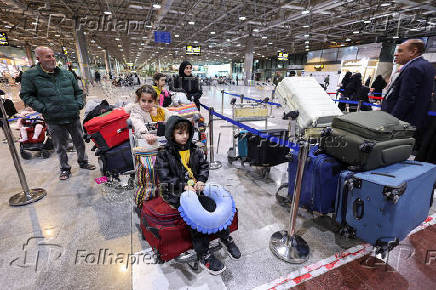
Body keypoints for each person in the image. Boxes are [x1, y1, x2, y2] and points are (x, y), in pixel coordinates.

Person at [155, 116, 241, 275]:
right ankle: (204, 254)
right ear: (171, 134)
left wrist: (201, 180)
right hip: (176, 192)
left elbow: (203, 167)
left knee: (213, 207)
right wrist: (184, 187)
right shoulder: (164, 154)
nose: (185, 136)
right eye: (180, 133)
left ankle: (225, 237)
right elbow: (164, 178)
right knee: (197, 215)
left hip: (197, 189)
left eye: (187, 132)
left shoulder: (195, 149)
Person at [19, 46, 95, 180]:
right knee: (60, 146)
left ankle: (83, 162)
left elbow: (78, 92)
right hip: (53, 118)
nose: (52, 59)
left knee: (80, 142)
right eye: (48, 56)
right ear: (39, 59)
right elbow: (26, 95)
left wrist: (78, 104)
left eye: (53, 55)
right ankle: (65, 168)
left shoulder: (67, 74)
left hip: (72, 115)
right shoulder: (30, 76)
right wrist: (43, 108)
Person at [381, 39, 436, 151]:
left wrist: (392, 120)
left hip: (403, 122)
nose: (396, 54)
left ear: (413, 52)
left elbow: (406, 99)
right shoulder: (427, 66)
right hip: (416, 120)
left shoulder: (413, 68)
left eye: (400, 51)